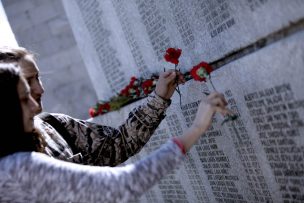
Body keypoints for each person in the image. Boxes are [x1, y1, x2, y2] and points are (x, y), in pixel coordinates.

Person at [0, 63, 230, 202]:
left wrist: (158, 100)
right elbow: (124, 185)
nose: (35, 102)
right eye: (24, 96)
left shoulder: (51, 127)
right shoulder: (15, 168)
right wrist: (197, 128)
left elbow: (113, 147)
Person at [0, 46, 186, 166]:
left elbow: (116, 146)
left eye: (38, 78)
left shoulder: (55, 125)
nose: (40, 89)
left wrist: (159, 98)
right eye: (27, 81)